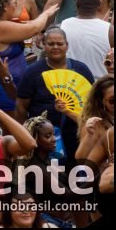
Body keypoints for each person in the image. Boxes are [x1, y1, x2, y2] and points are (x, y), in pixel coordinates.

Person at [15, 27, 94, 167]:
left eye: (60, 44)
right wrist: (25, 134)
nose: (55, 47)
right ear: (44, 45)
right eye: (51, 44)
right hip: (43, 140)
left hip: (75, 136)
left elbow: (91, 104)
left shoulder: (81, 69)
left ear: (67, 45)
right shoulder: (33, 72)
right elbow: (21, 106)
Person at [61, 0, 114, 78]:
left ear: (76, 2)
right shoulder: (109, 30)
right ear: (98, 3)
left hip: (70, 86)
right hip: (99, 87)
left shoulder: (64, 25)